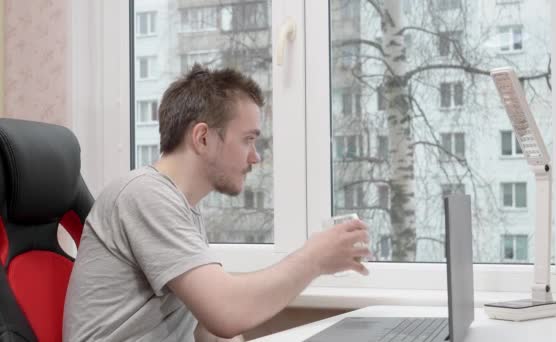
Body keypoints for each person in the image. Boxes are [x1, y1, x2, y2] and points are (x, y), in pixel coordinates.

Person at [63, 64, 371, 342]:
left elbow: (208, 326)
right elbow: (225, 312)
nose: (255, 156)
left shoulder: (181, 206)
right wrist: (314, 259)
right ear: (203, 138)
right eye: (248, 139)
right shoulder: (144, 195)